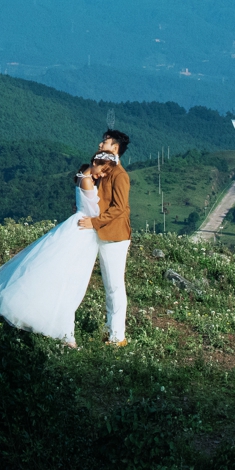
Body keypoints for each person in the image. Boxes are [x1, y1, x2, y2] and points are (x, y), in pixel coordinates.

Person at [0, 156, 101, 346]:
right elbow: (96, 211)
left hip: (77, 228)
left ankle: (61, 326)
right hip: (82, 232)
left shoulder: (82, 176)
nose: (102, 174)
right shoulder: (87, 180)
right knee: (70, 280)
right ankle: (62, 329)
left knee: (60, 275)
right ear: (95, 165)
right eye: (101, 169)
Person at [77, 129, 131, 346]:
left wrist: (94, 222)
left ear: (115, 148)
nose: (100, 144)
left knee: (114, 285)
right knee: (109, 285)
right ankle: (111, 331)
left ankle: (118, 336)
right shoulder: (106, 171)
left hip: (115, 236)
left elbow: (120, 208)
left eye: (105, 142)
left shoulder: (120, 175)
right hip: (104, 233)